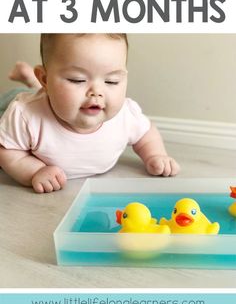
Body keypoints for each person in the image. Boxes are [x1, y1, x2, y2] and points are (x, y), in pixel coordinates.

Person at [0, 34, 180, 193]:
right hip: (11, 105)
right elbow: (7, 150)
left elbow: (146, 134)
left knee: (54, 95)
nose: (97, 92)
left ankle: (30, 79)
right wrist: (34, 171)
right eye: (77, 79)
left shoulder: (125, 115)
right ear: (46, 79)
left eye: (111, 81)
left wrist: (155, 155)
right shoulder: (24, 115)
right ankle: (31, 81)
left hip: (50, 93)